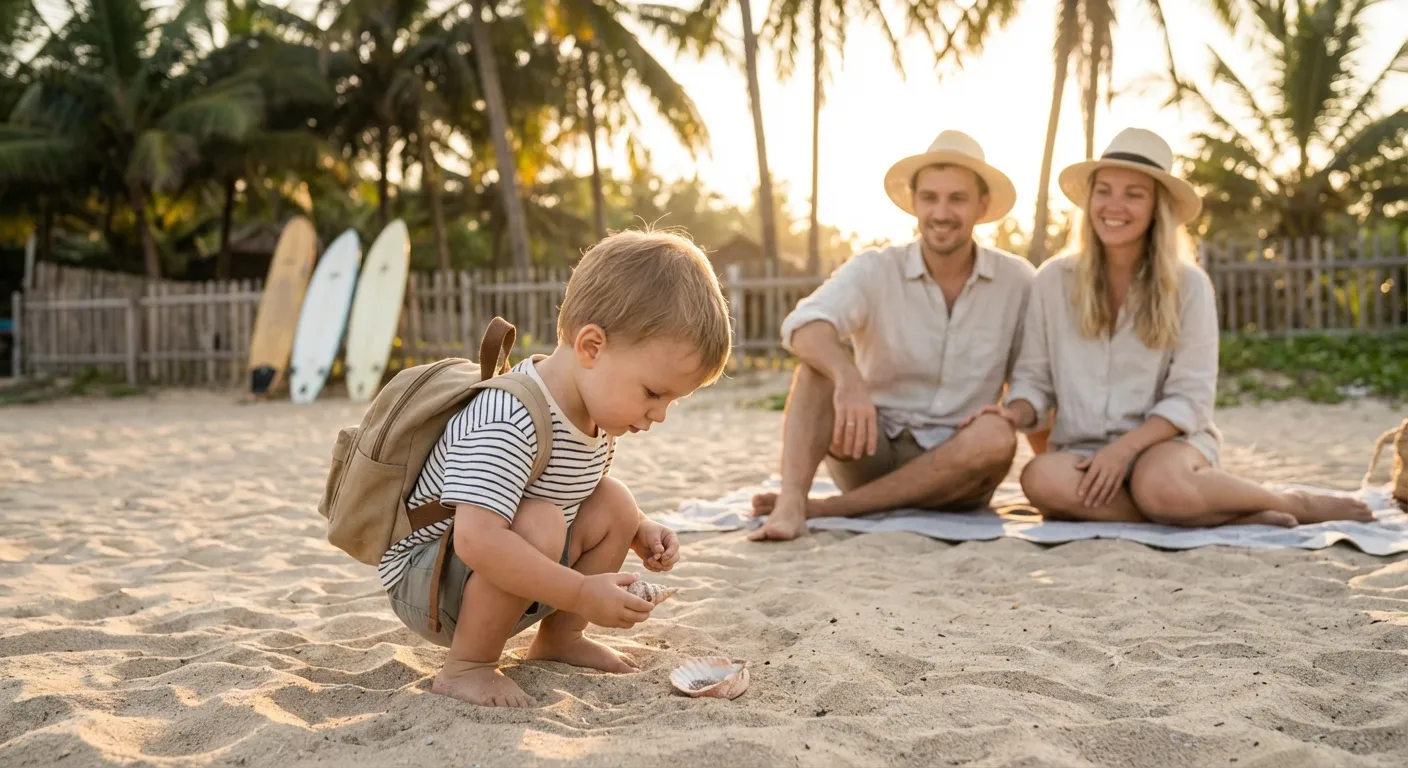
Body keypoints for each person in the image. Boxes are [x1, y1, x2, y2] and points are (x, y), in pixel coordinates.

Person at [380, 230, 733, 707]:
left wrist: (638, 529)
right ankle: (468, 665)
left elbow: (578, 494)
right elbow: (477, 539)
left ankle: (559, 640)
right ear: (591, 347)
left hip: (491, 572)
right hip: (430, 586)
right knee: (540, 520)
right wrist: (583, 592)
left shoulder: (593, 413)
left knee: (614, 501)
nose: (659, 414)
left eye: (671, 399)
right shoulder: (512, 416)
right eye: (653, 392)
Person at [968, 127, 1372, 527]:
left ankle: (1288, 501)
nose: (1114, 205)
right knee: (1039, 480)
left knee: (1158, 485)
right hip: (1083, 449)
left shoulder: (1189, 285)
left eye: (1134, 194)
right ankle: (1220, 517)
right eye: (1104, 190)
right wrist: (1012, 415)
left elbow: (1191, 398)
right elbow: (1033, 381)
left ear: (1157, 207)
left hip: (1168, 446)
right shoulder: (1053, 279)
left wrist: (1123, 451)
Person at [749, 130, 1037, 542]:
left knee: (997, 435)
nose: (941, 212)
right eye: (930, 198)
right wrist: (848, 380)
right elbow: (803, 324)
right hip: (869, 449)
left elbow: (1034, 379)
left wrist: (1014, 413)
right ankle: (792, 502)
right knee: (815, 371)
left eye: (957, 198)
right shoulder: (875, 268)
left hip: (961, 471)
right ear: (914, 203)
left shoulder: (1018, 280)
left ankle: (825, 509)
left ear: (982, 205)